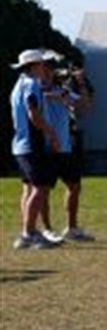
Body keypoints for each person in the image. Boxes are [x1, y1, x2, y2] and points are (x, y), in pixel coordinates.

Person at [9, 49, 62, 250]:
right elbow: (34, 114)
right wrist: (52, 134)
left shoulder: (18, 85)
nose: (45, 67)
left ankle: (28, 232)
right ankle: (28, 234)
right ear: (35, 65)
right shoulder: (32, 84)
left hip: (20, 145)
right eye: (42, 63)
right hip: (33, 145)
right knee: (40, 188)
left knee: (29, 188)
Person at [41, 51, 94, 241]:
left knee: (75, 186)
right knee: (43, 189)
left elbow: (85, 105)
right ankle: (46, 229)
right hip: (47, 146)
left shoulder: (62, 89)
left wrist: (80, 83)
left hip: (65, 146)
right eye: (51, 66)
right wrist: (62, 91)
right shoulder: (37, 85)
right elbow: (45, 95)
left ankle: (71, 228)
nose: (56, 70)